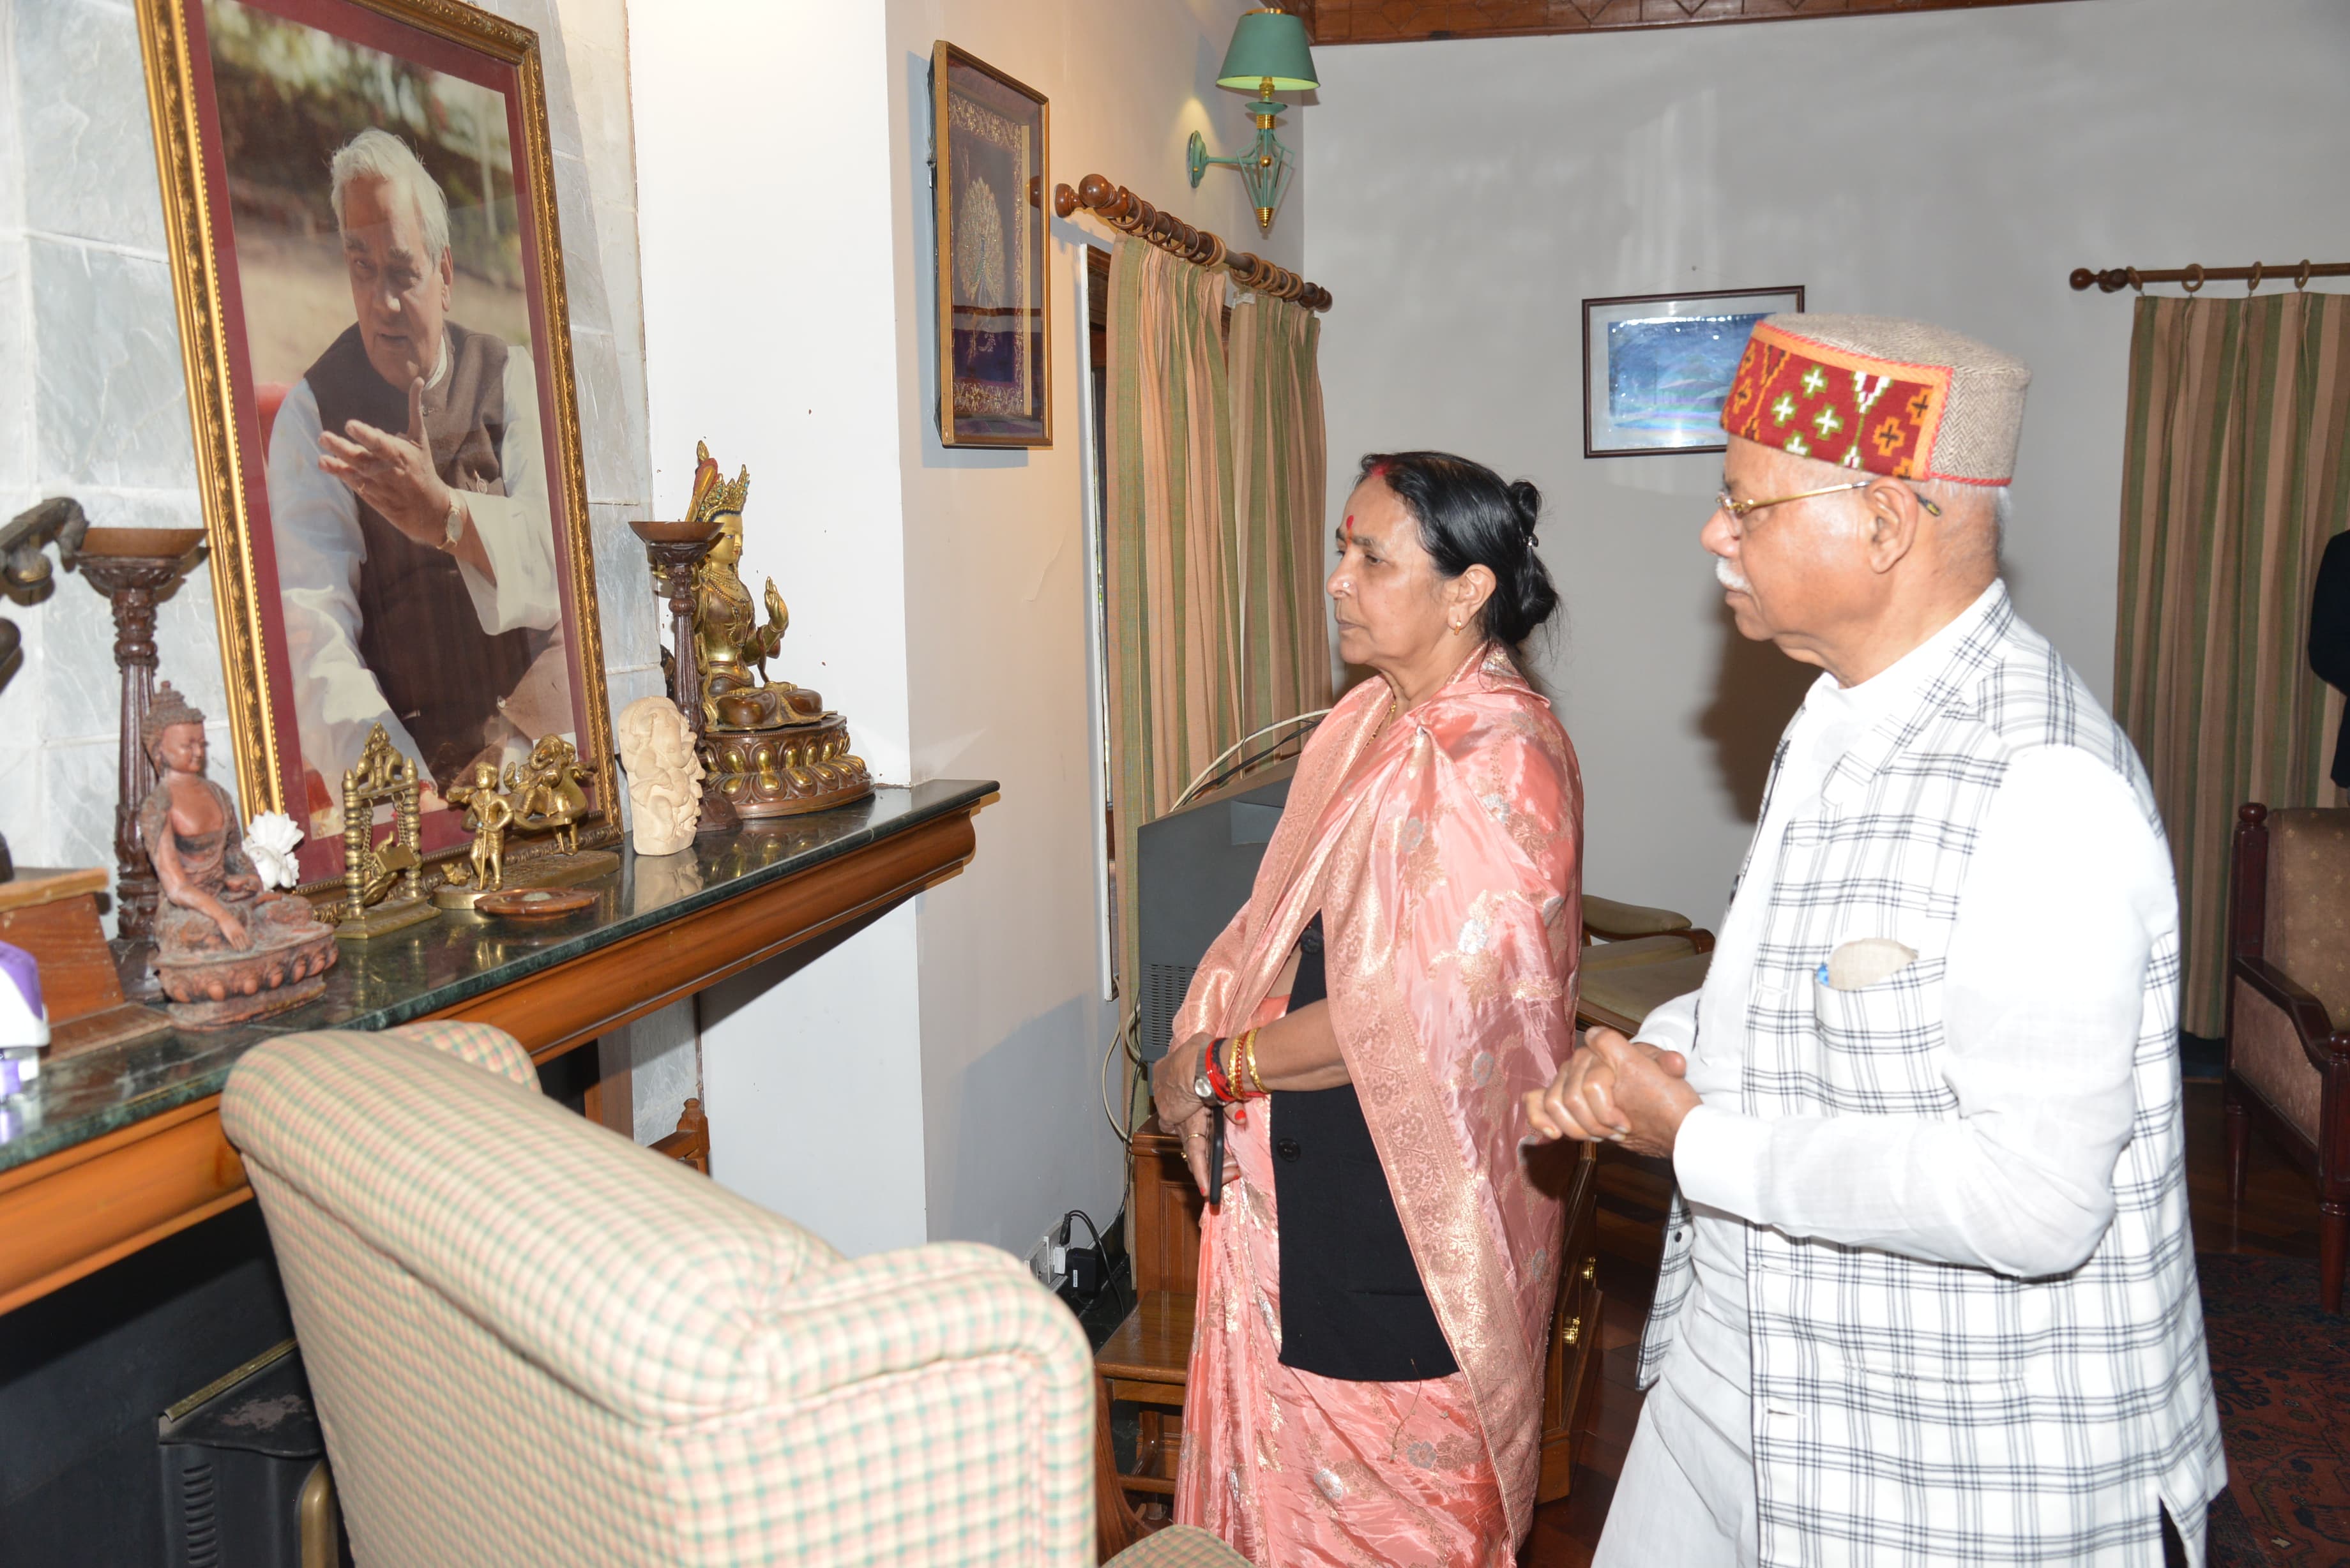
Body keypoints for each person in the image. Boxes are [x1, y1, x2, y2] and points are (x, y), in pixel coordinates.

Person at [1524, 314, 2224, 1566]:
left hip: (1945, 1469)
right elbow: (1796, 980)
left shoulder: (2042, 784)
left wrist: (1695, 1137)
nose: (1714, 534)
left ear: (1886, 524)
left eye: (1746, 505)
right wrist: (1665, 1047)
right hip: (1738, 1385)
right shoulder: (1834, 713)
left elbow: (2031, 1201)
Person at [1151, 451, 1582, 1566]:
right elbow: (1273, 923)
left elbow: (1402, 1021)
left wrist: (1214, 1069)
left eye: (1373, 558)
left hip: (1396, 1223)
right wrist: (1199, 1039)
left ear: (1467, 590)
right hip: (1309, 1188)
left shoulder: (1499, 763)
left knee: (1381, 1528)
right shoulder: (1369, 721)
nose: (1338, 580)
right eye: (1342, 549)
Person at [265, 126, 566, 808]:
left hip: (540, 743)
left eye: (402, 270)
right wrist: (401, 794)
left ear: (446, 275)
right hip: (415, 770)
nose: (384, 302)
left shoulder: (509, 376)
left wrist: (447, 517)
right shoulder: (313, 418)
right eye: (361, 268)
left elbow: (565, 571)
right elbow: (314, 639)